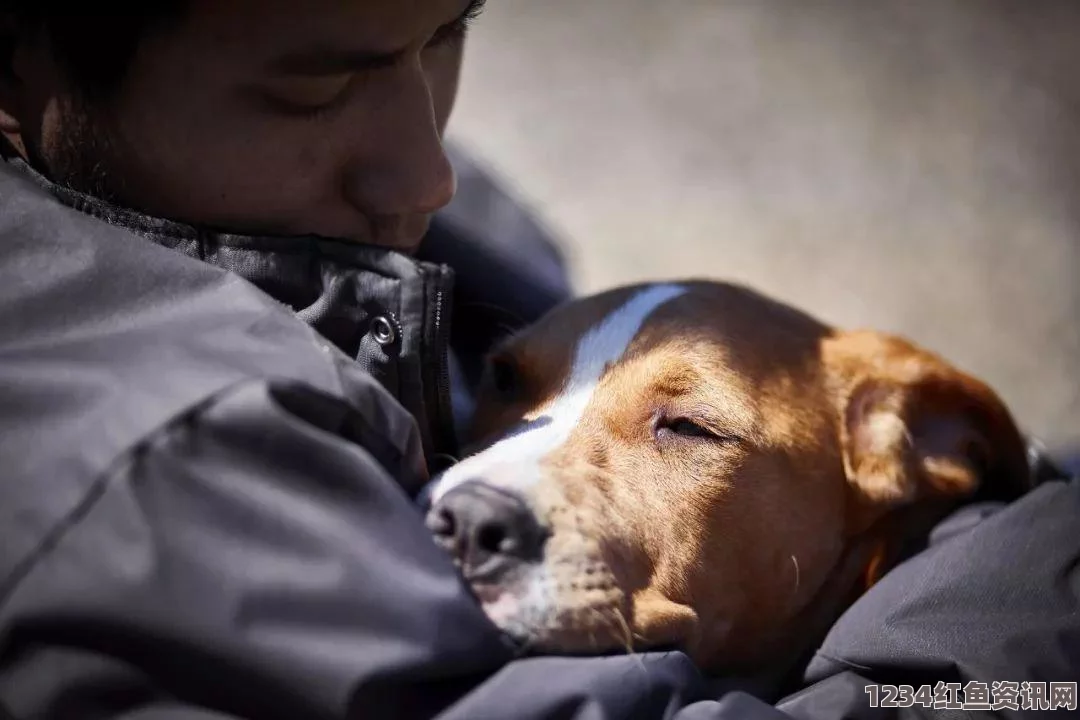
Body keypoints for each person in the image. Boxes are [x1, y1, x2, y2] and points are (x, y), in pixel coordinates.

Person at [0, 3, 1077, 719]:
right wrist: (1005, 676)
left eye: (447, 30)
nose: (432, 181)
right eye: (313, 89)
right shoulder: (158, 457)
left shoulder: (416, 254)